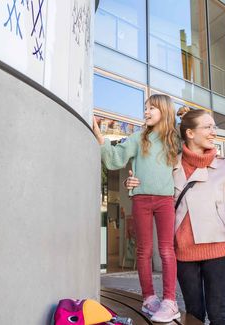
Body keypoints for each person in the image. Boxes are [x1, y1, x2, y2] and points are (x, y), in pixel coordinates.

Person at [127, 109, 225, 325]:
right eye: (208, 127)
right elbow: (151, 188)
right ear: (190, 133)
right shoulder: (169, 163)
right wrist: (131, 183)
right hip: (184, 255)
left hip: (219, 251)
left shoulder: (222, 165)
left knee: (218, 315)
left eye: (214, 126)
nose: (214, 132)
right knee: (193, 314)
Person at [92, 94, 181, 323]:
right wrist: (101, 138)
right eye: (145, 108)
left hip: (165, 201)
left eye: (152, 108)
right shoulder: (137, 138)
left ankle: (170, 301)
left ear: (165, 110)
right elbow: (115, 160)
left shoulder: (174, 139)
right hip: (141, 199)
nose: (146, 112)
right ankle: (149, 298)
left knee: (166, 249)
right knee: (144, 250)